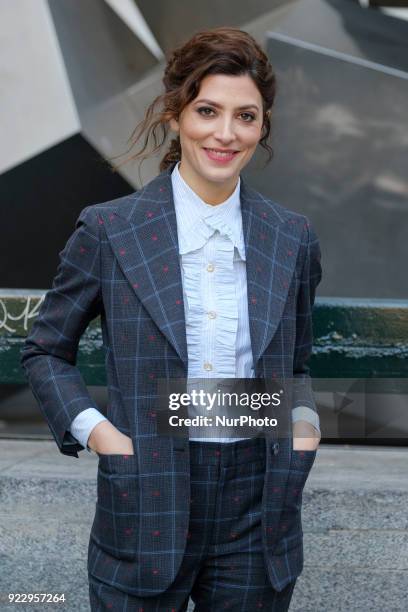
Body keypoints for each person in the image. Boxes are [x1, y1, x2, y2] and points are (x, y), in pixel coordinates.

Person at [21, 27, 322, 612]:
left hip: (258, 503)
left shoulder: (292, 236)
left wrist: (302, 429)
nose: (225, 133)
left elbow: (296, 360)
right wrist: (102, 436)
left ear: (263, 128)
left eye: (246, 116)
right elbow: (46, 350)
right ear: (176, 113)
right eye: (208, 110)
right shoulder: (111, 228)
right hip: (145, 492)